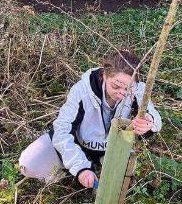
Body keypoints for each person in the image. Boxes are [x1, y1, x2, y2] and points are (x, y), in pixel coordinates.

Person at [18, 50, 162, 188]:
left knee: (122, 176)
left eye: (128, 88)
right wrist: (81, 169)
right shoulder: (82, 90)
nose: (121, 94)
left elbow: (153, 116)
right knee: (29, 164)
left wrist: (150, 123)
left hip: (109, 150)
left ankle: (98, 172)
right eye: (115, 86)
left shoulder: (138, 91)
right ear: (105, 75)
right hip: (78, 143)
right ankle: (68, 172)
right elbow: (61, 131)